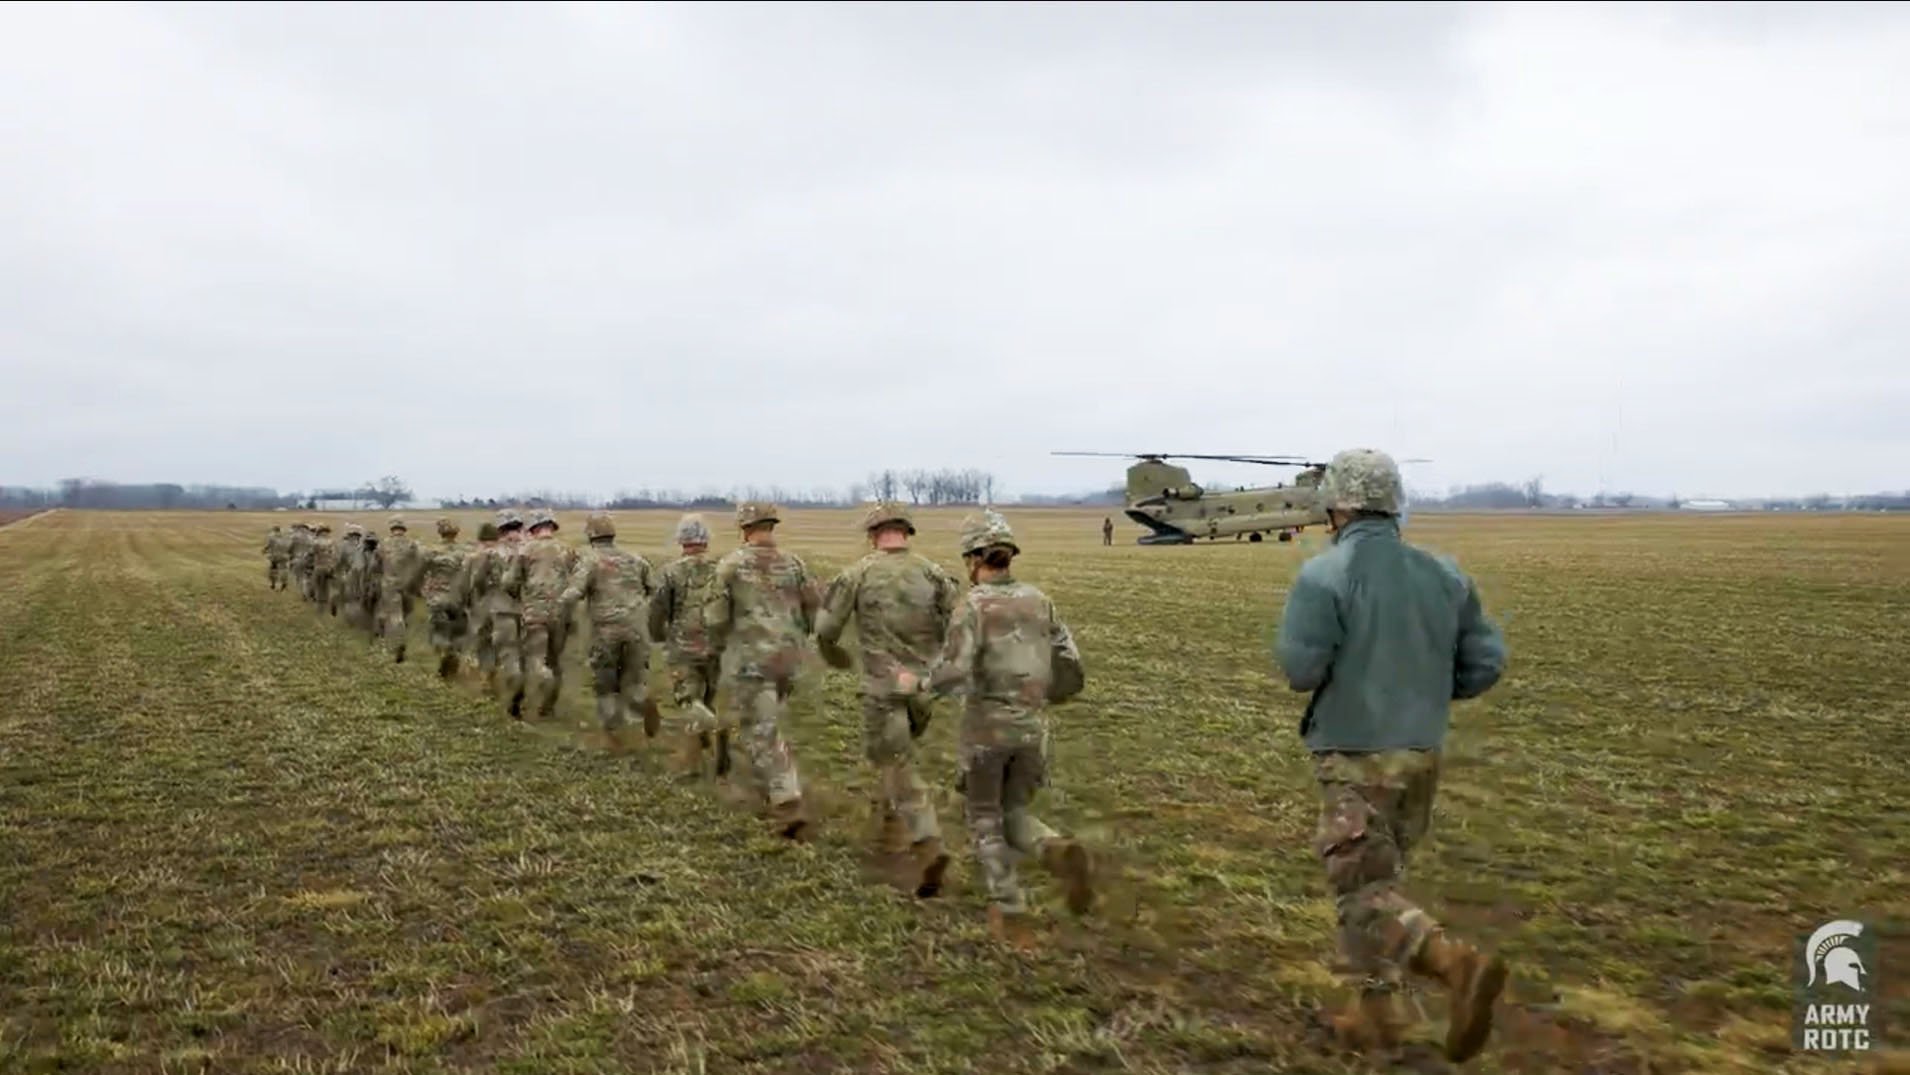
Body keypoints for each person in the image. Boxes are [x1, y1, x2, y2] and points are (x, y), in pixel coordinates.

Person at [1273, 448, 1509, 1062]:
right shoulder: (1446, 574)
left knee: (1362, 895)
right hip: (1422, 754)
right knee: (1380, 882)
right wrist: (1427, 689)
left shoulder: (1324, 575)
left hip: (1356, 756)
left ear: (1337, 506)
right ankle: (1375, 1018)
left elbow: (1300, 669)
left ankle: (1453, 964)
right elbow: (1485, 663)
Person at [896, 511, 1093, 946]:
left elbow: (953, 670)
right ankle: (1053, 849)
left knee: (983, 816)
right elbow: (1071, 664)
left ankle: (1010, 910)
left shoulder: (974, 605)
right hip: (1033, 727)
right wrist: (1046, 699)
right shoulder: (1040, 599)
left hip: (987, 728)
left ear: (972, 559)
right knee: (1014, 811)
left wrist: (918, 685)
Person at [817, 501, 958, 896]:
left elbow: (826, 629)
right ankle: (885, 826)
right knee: (897, 756)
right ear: (907, 532)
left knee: (896, 763)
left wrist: (836, 655)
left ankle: (928, 842)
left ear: (872, 534)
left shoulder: (858, 573)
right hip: (923, 690)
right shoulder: (933, 573)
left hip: (883, 688)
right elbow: (958, 626)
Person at [705, 501, 820, 839]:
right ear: (772, 526)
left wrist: (714, 648)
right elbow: (815, 611)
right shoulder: (795, 564)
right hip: (788, 660)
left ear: (743, 528)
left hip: (752, 662)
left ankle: (787, 802)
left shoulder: (730, 565)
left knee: (760, 731)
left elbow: (715, 619)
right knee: (767, 724)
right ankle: (771, 785)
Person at [562, 511, 659, 750]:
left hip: (606, 631)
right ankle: (636, 726)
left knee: (606, 684)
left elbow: (573, 594)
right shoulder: (636, 559)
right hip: (636, 629)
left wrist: (561, 612)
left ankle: (613, 735)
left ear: (591, 536)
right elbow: (655, 590)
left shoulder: (590, 561)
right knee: (634, 679)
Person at [649, 513, 728, 778]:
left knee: (689, 700)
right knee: (707, 699)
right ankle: (702, 760)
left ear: (681, 540)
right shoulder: (722, 569)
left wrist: (657, 636)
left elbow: (658, 610)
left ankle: (713, 730)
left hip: (684, 647)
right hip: (716, 646)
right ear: (706, 539)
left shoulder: (671, 572)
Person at [509, 510, 578, 720]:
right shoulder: (568, 550)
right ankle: (547, 708)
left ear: (533, 528)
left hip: (535, 611)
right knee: (556, 660)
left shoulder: (525, 549)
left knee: (536, 659)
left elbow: (510, 581)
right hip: (562, 612)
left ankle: (543, 681)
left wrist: (518, 596)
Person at [464, 511, 525, 709]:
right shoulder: (530, 551)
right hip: (530, 610)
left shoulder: (491, 554)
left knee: (504, 651)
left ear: (500, 531)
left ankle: (505, 685)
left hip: (499, 607)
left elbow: (477, 581)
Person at [416, 517, 471, 679]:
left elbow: (420, 572)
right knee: (459, 632)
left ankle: (446, 654)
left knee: (439, 631)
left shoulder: (431, 551)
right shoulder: (466, 551)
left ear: (440, 531)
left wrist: (420, 590)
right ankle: (454, 656)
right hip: (459, 598)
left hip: (438, 598)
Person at [458, 519, 505, 688]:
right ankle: (495, 672)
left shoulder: (472, 558)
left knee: (483, 641)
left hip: (480, 606)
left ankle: (485, 675)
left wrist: (463, 603)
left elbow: (463, 584)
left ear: (480, 539)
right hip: (503, 606)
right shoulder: (505, 556)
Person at [374, 516, 421, 662]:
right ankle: (402, 634)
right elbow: (418, 563)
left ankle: (398, 643)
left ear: (392, 529)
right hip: (408, 584)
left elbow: (376, 564)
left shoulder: (383, 544)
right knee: (406, 613)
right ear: (403, 529)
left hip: (390, 584)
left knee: (395, 615)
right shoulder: (412, 544)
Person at [263, 525, 290, 590]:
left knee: (273, 569)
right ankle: (284, 582)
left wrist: (264, 550)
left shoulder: (271, 536)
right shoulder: (285, 536)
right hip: (284, 555)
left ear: (274, 530)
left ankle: (273, 584)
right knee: (284, 569)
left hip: (275, 555)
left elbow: (269, 545)